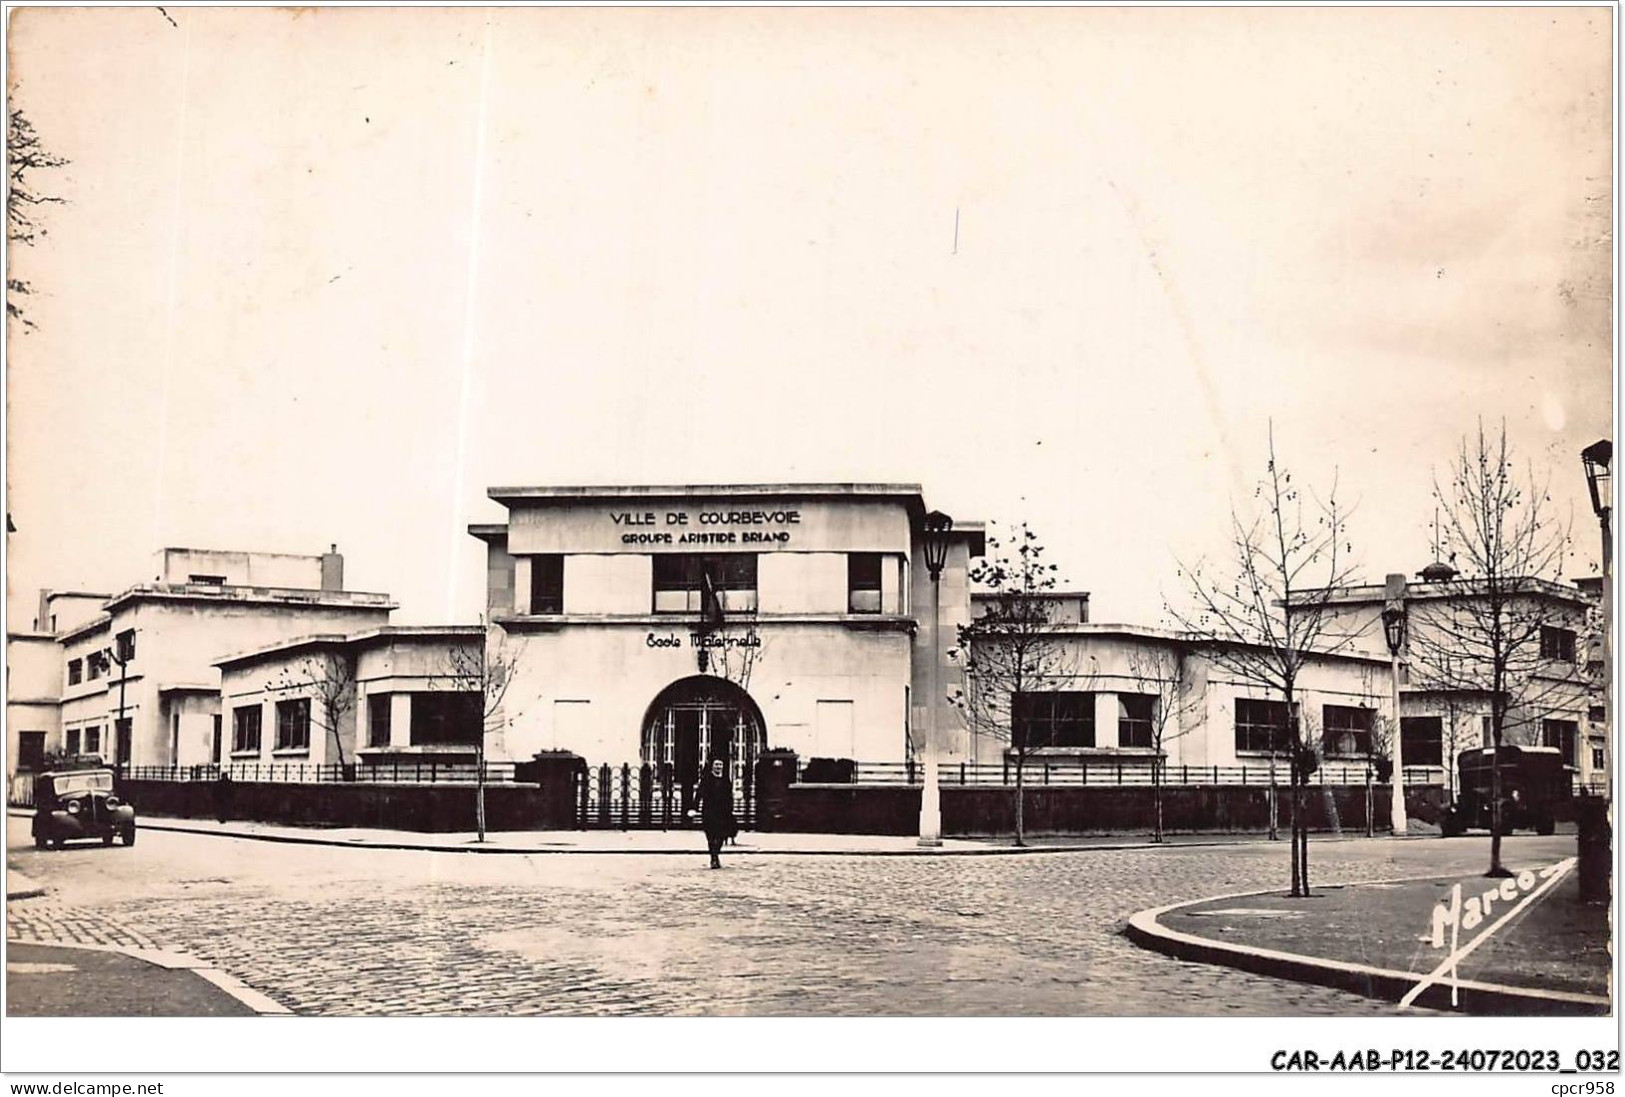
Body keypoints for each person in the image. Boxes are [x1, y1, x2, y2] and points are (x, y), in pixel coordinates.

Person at [695, 757, 736, 869]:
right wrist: (695, 807)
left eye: (720, 765)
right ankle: (714, 858)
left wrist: (730, 808)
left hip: (722, 812)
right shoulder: (706, 779)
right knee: (711, 836)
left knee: (722, 835)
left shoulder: (726, 780)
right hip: (709, 811)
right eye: (716, 765)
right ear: (712, 766)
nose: (718, 767)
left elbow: (729, 795)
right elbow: (699, 793)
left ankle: (715, 854)